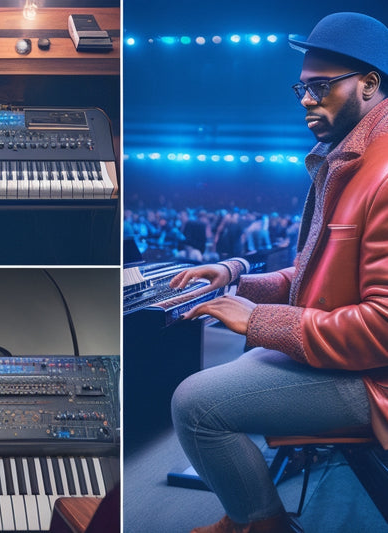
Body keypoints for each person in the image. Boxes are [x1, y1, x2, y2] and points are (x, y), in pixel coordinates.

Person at [170, 12, 388, 533]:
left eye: (321, 87)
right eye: (302, 88)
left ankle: (263, 525)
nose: (307, 100)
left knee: (195, 405)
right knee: (211, 388)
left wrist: (261, 321)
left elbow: (382, 329)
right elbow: (314, 280)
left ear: (370, 84)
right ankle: (246, 513)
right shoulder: (346, 157)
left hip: (372, 377)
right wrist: (234, 280)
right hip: (345, 359)